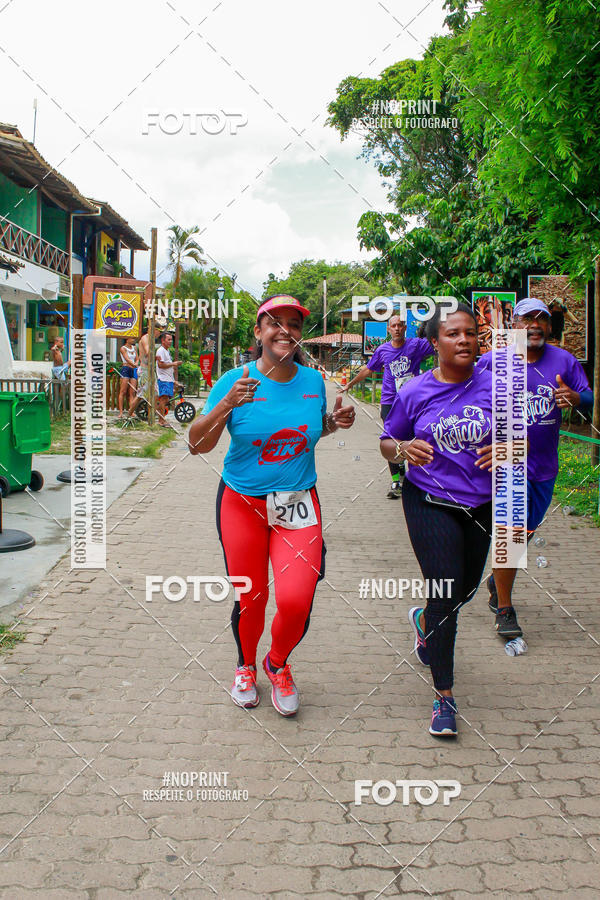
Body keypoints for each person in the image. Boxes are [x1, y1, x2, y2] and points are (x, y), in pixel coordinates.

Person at [188, 295, 356, 716]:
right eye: (275, 323)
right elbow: (196, 444)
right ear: (259, 331)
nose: (285, 331)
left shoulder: (313, 381)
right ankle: (245, 667)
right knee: (252, 598)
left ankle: (277, 663)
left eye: (294, 324)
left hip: (297, 503)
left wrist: (334, 425)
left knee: (297, 598)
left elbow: (308, 432)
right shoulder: (235, 380)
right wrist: (227, 404)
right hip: (242, 503)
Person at [380, 303, 503, 738]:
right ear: (435, 343)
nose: (465, 340)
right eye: (453, 333)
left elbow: (521, 440)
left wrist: (510, 451)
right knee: (445, 590)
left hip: (481, 505)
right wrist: (403, 449)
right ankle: (444, 696)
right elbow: (387, 441)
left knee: (466, 588)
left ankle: (423, 622)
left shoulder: (497, 388)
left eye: (470, 333)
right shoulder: (414, 391)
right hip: (428, 500)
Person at [477, 298, 593, 637]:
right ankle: (505, 609)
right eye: (527, 319)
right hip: (508, 464)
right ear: (514, 324)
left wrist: (575, 397)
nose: (535, 326)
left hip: (545, 466)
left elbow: (588, 395)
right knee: (510, 535)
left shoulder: (564, 360)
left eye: (541, 320)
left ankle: (497, 579)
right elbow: (462, 390)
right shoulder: (494, 361)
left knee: (525, 532)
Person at [340, 314, 433, 498]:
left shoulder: (415, 345)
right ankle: (396, 481)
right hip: (390, 402)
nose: (397, 328)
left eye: (400, 325)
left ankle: (418, 480)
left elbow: (437, 344)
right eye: (393, 326)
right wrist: (350, 384)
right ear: (389, 329)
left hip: (412, 402)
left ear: (405, 328)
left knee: (417, 439)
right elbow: (369, 368)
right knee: (392, 441)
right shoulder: (383, 350)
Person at [156, 332, 181, 426]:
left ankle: (162, 418)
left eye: (171, 340)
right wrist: (173, 364)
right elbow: (160, 365)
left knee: (166, 399)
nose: (170, 341)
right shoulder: (161, 351)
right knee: (163, 399)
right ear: (163, 340)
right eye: (168, 339)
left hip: (168, 378)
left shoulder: (167, 351)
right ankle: (161, 420)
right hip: (163, 379)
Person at [117, 336, 139, 420]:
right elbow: (127, 358)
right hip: (126, 368)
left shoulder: (134, 348)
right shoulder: (123, 348)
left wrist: (136, 364)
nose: (133, 340)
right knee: (123, 391)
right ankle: (121, 412)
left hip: (133, 369)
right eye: (132, 338)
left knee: (132, 392)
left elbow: (137, 358)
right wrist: (134, 364)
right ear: (127, 339)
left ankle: (131, 411)